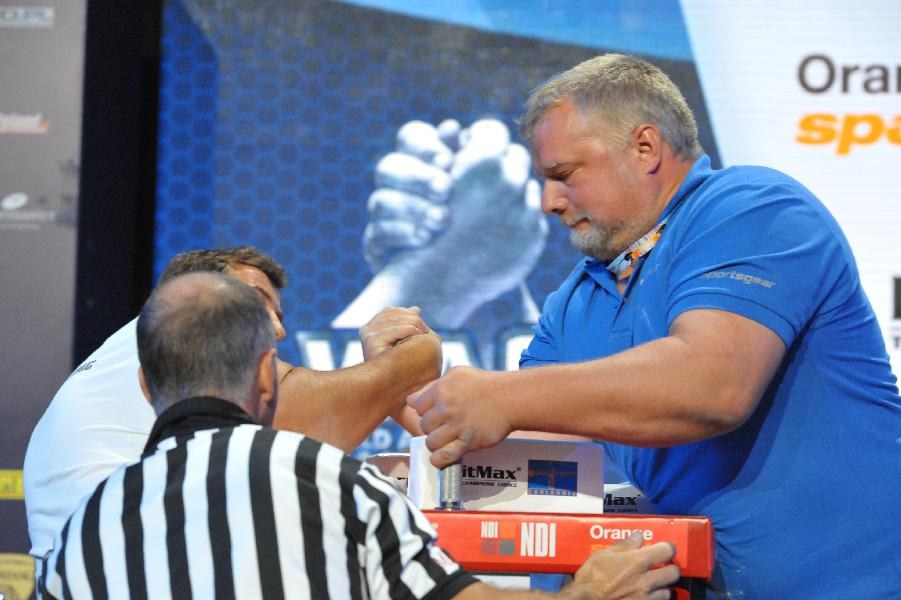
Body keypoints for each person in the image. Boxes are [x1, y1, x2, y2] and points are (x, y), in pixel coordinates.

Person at [407, 54, 901, 598]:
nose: (549, 202)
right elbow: (518, 443)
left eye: (564, 175)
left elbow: (712, 386)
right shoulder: (574, 301)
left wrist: (499, 394)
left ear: (644, 148)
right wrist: (408, 391)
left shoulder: (753, 208)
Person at [39, 271, 679, 599]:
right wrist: (588, 593)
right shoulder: (319, 477)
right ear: (267, 376)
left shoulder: (82, 532)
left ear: (146, 388)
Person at [24, 246, 439, 576]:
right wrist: (410, 361)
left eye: (278, 316)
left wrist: (396, 389)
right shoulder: (174, 334)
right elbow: (310, 427)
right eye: (255, 302)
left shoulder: (135, 358)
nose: (277, 329)